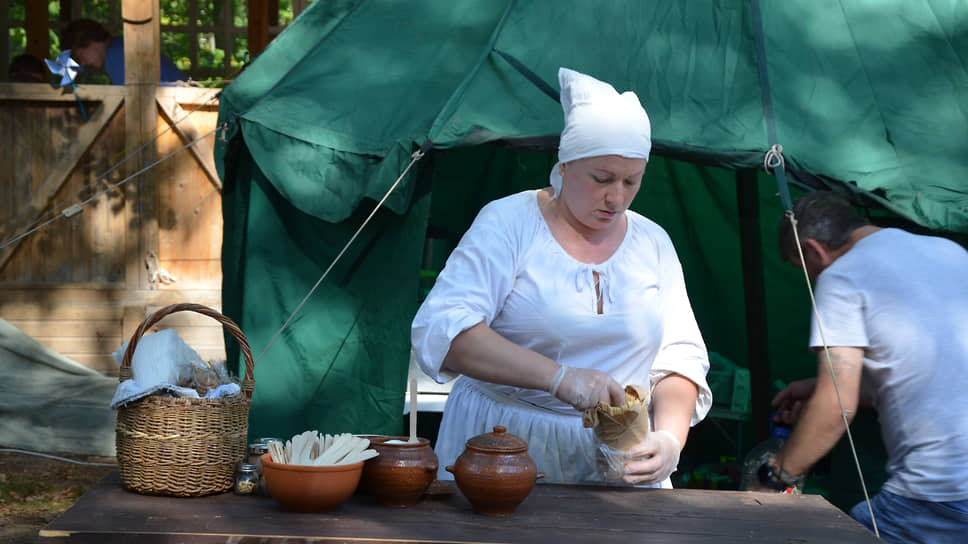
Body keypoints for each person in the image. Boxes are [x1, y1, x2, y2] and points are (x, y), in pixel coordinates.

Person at [411, 67, 711, 487]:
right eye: (602, 179)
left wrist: (669, 439)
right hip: (502, 450)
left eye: (632, 181)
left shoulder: (652, 243)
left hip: (618, 461)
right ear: (565, 165)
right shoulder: (509, 225)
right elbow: (444, 331)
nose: (617, 197)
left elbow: (680, 359)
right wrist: (558, 377)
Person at [762, 190, 968, 542]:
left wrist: (774, 477)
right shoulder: (952, 254)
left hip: (936, 495)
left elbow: (836, 407)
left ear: (814, 250)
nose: (811, 281)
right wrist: (814, 388)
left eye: (804, 270)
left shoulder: (841, 277)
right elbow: (925, 378)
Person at [60, 19, 186, 85]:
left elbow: (130, 106)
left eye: (81, 55)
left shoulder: (115, 56)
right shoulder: (119, 46)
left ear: (91, 42)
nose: (83, 62)